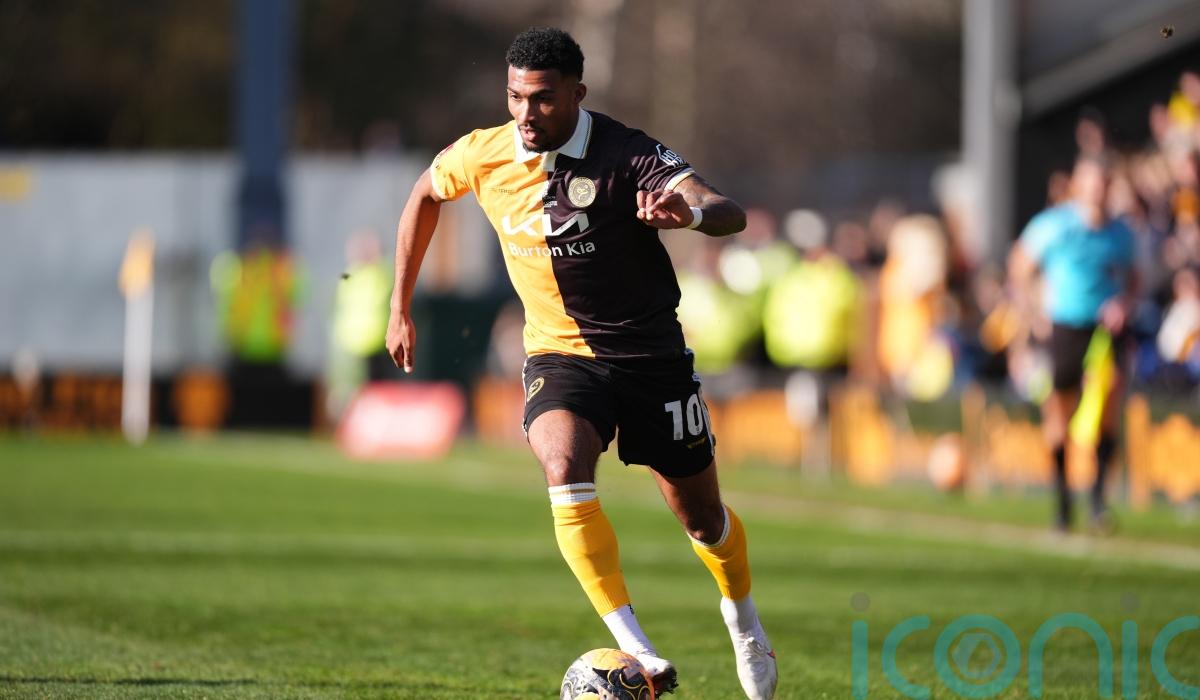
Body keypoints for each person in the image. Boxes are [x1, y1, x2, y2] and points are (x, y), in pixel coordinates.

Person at [384, 27, 777, 699]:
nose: (525, 113)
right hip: (560, 355)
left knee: (703, 521)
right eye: (515, 97)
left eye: (541, 98)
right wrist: (400, 305)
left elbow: (726, 210)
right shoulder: (483, 153)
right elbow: (424, 194)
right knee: (562, 465)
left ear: (577, 93)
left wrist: (688, 215)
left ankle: (742, 619)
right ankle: (638, 651)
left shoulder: (626, 153)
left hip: (650, 358)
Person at [1009, 155, 1138, 533]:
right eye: (1091, 183)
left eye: (1104, 184)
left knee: (1109, 404)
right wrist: (1033, 311)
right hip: (1064, 325)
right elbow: (1020, 266)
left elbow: (1134, 278)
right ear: (1078, 186)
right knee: (1059, 414)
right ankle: (1063, 503)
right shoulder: (1055, 226)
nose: (1098, 191)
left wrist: (1125, 303)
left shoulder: (1121, 233)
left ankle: (1098, 502)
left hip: (1106, 329)